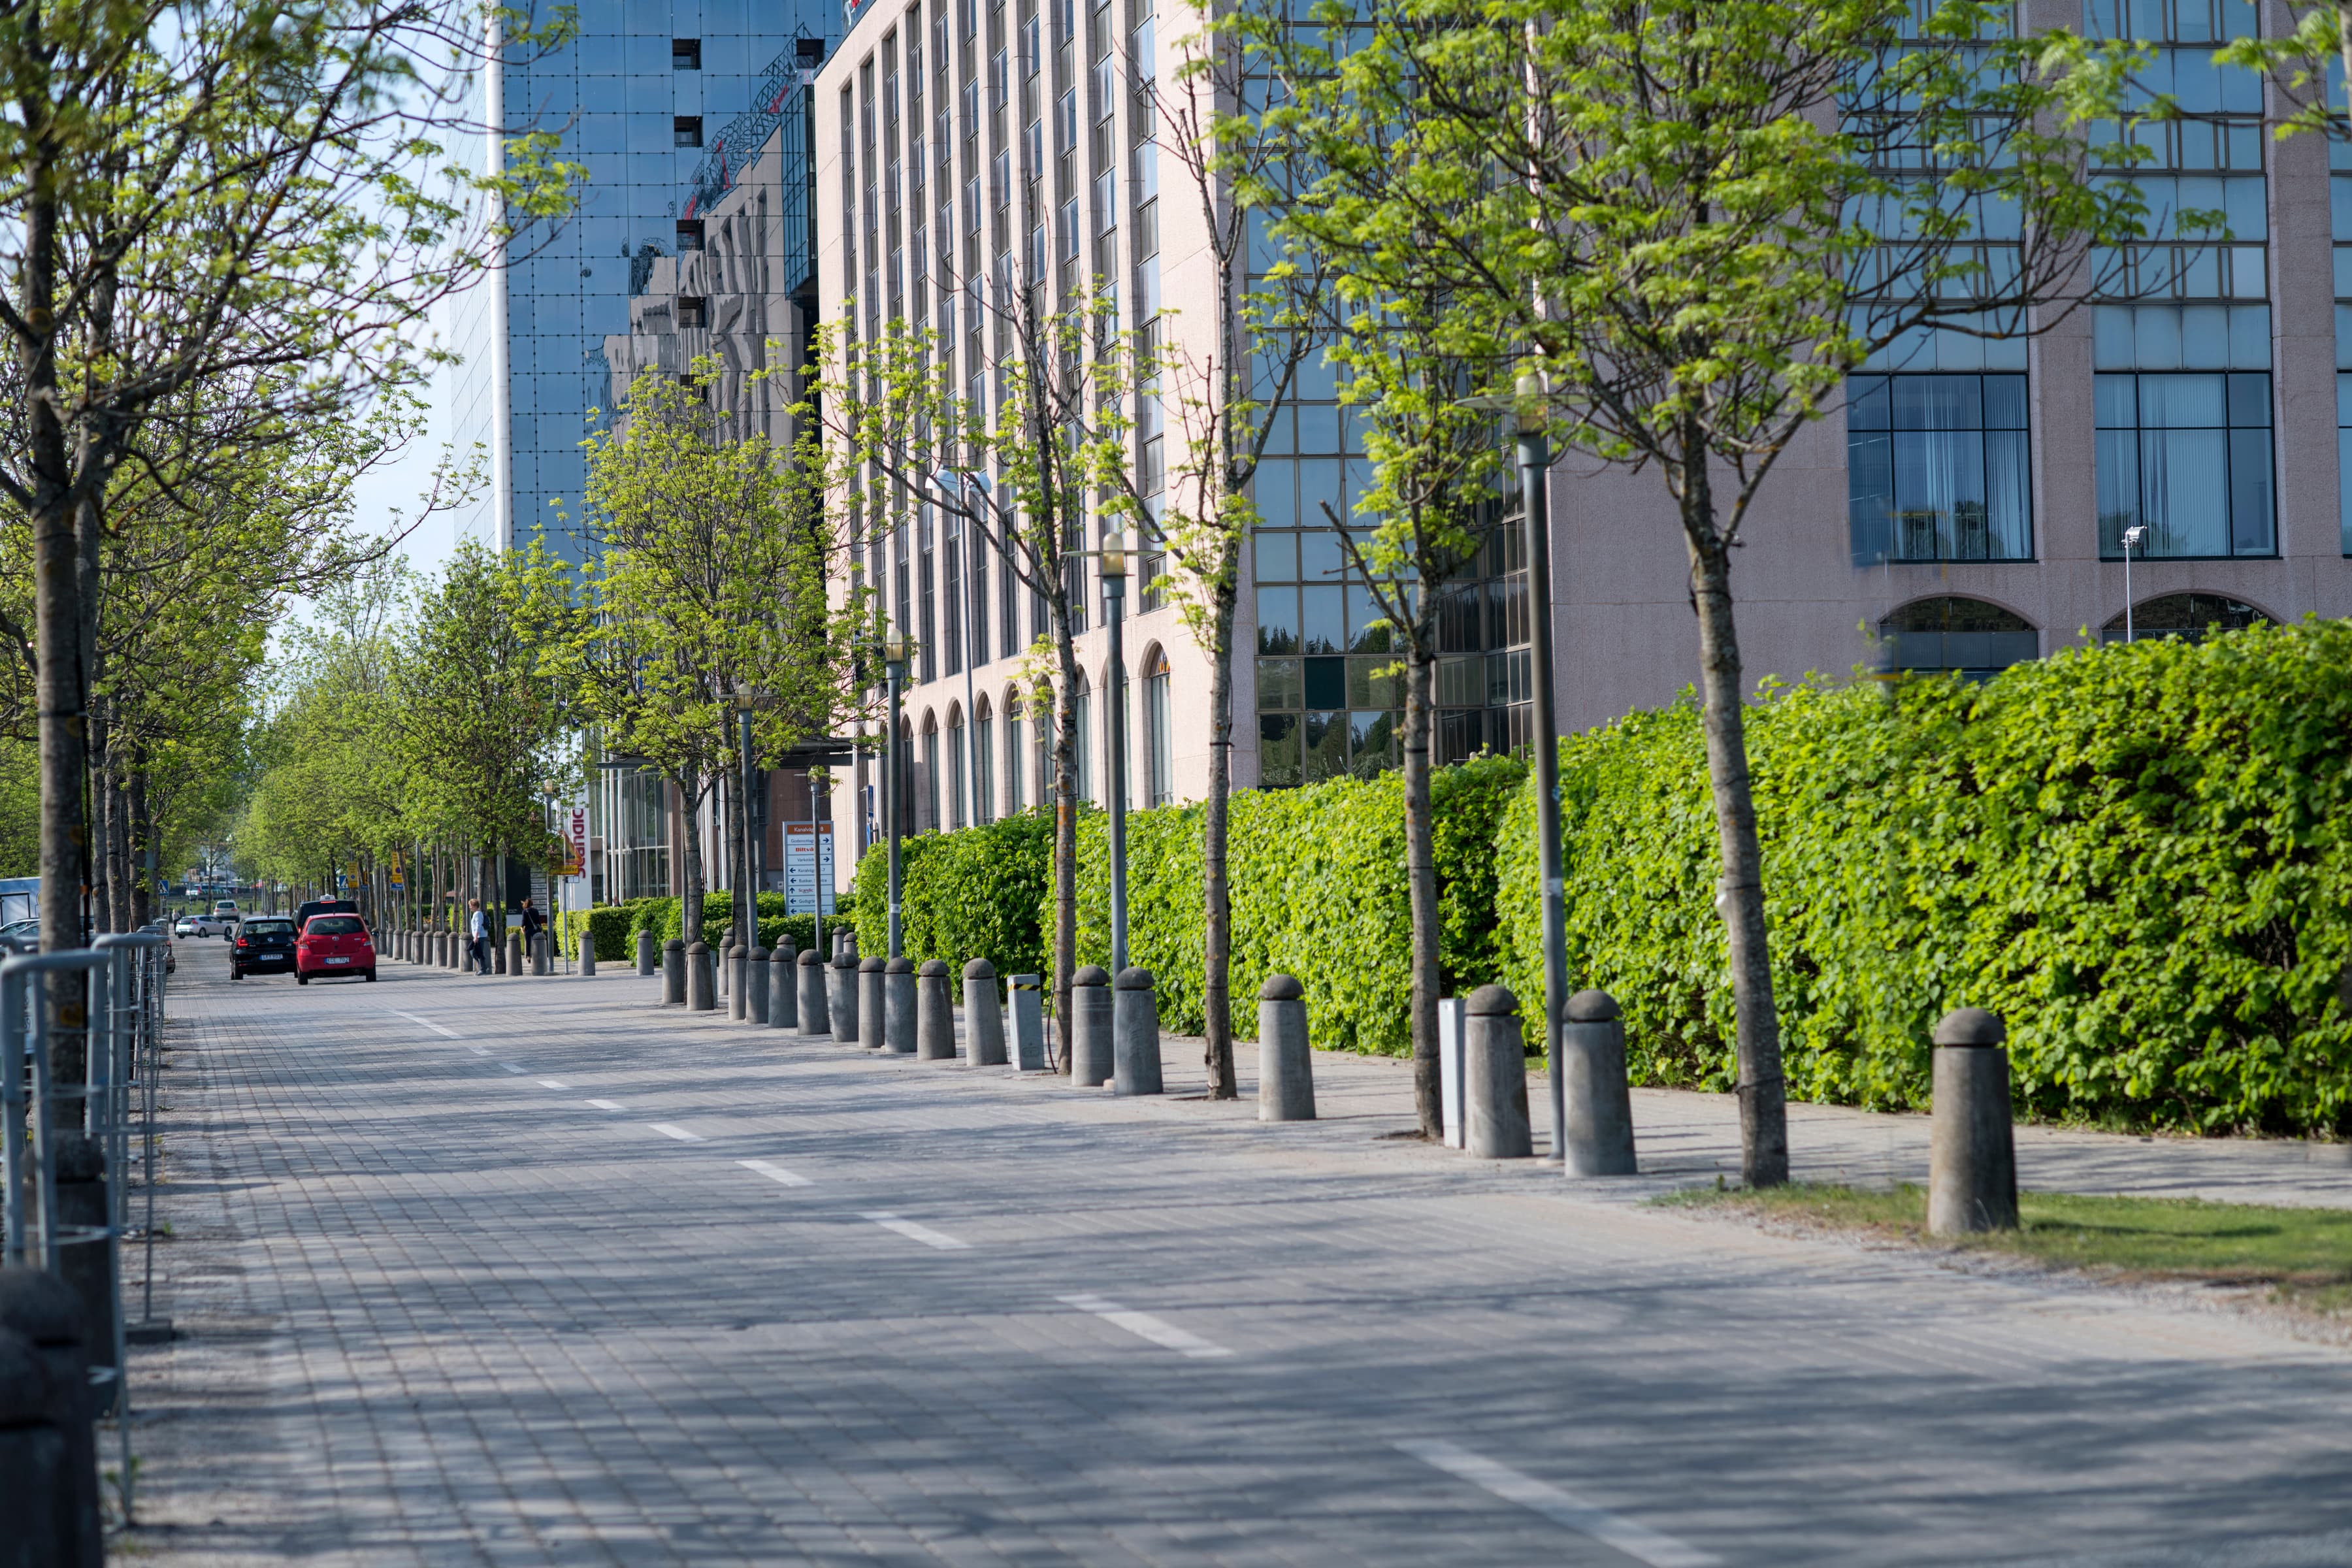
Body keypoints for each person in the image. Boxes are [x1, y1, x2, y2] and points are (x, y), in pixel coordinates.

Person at [518, 896, 546, 968]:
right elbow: (538, 922)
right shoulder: (536, 911)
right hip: (536, 930)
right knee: (536, 942)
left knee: (528, 943)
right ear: (532, 904)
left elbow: (524, 921)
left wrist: (522, 929)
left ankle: (528, 956)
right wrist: (541, 930)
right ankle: (537, 954)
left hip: (528, 930)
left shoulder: (525, 911)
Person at [467, 898, 489, 975]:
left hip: (480, 936)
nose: (470, 907)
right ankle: (484, 968)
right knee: (476, 952)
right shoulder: (477, 914)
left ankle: (483, 969)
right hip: (479, 936)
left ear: (475, 906)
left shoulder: (478, 914)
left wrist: (476, 937)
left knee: (475, 953)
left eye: (470, 905)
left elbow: (478, 926)